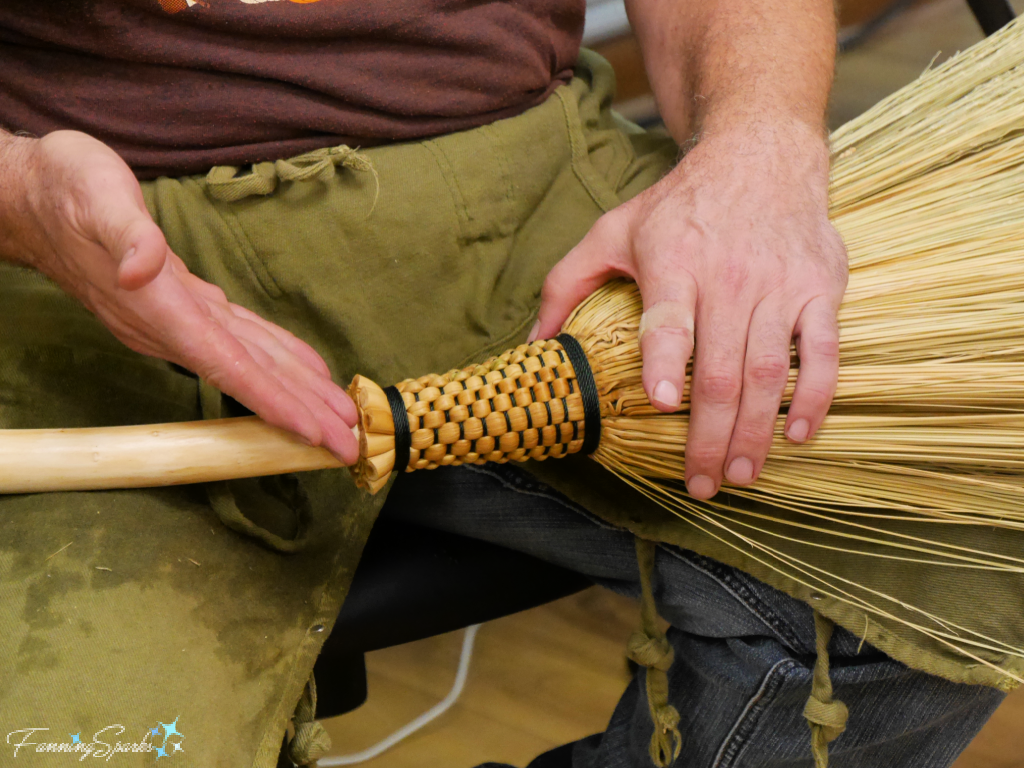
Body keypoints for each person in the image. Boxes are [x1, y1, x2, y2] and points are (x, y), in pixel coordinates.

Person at [0, 1, 1006, 766]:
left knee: (970, 543)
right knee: (92, 733)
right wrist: (19, 195)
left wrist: (756, 147)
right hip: (73, 241)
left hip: (526, 199)